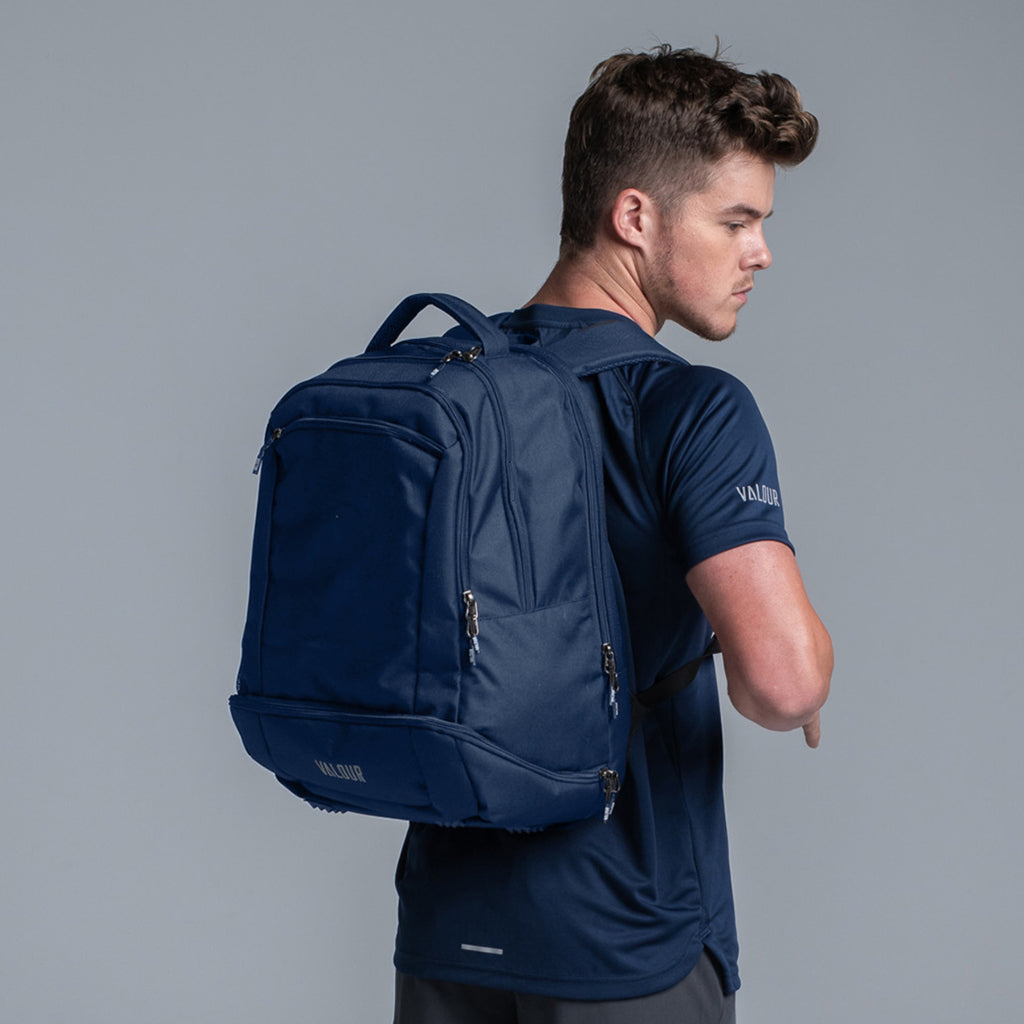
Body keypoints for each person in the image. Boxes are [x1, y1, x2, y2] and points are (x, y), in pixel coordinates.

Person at [392, 44, 833, 1023]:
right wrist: (803, 657)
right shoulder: (689, 408)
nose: (760, 251)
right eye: (736, 221)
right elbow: (782, 683)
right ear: (635, 216)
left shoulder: (446, 385)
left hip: (445, 923)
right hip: (626, 940)